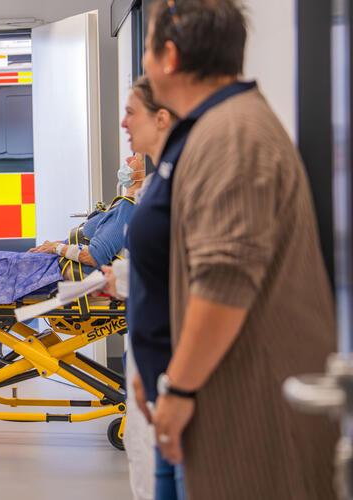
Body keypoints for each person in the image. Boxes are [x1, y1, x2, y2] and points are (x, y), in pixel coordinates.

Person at [129, 1, 337, 498]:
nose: (143, 64)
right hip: (209, 392)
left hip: (243, 404)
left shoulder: (233, 136)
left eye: (146, 48)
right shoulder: (210, 129)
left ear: (170, 57)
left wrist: (177, 386)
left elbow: (225, 281)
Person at [103, 76, 176, 500]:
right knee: (144, 465)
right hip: (148, 362)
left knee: (157, 473)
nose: (124, 123)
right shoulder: (156, 183)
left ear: (161, 118)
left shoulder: (176, 182)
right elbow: (160, 264)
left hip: (170, 366)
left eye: (131, 112)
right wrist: (119, 279)